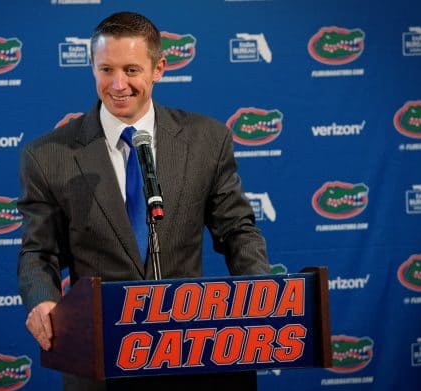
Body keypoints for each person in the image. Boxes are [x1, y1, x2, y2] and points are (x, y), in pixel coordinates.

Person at [18, 11, 270, 391]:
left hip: (192, 352)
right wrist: (42, 300)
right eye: (106, 70)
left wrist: (263, 296)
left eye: (132, 70)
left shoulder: (207, 140)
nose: (118, 84)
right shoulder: (48, 155)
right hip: (99, 358)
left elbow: (237, 230)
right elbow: (38, 251)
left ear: (159, 68)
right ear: (92, 68)